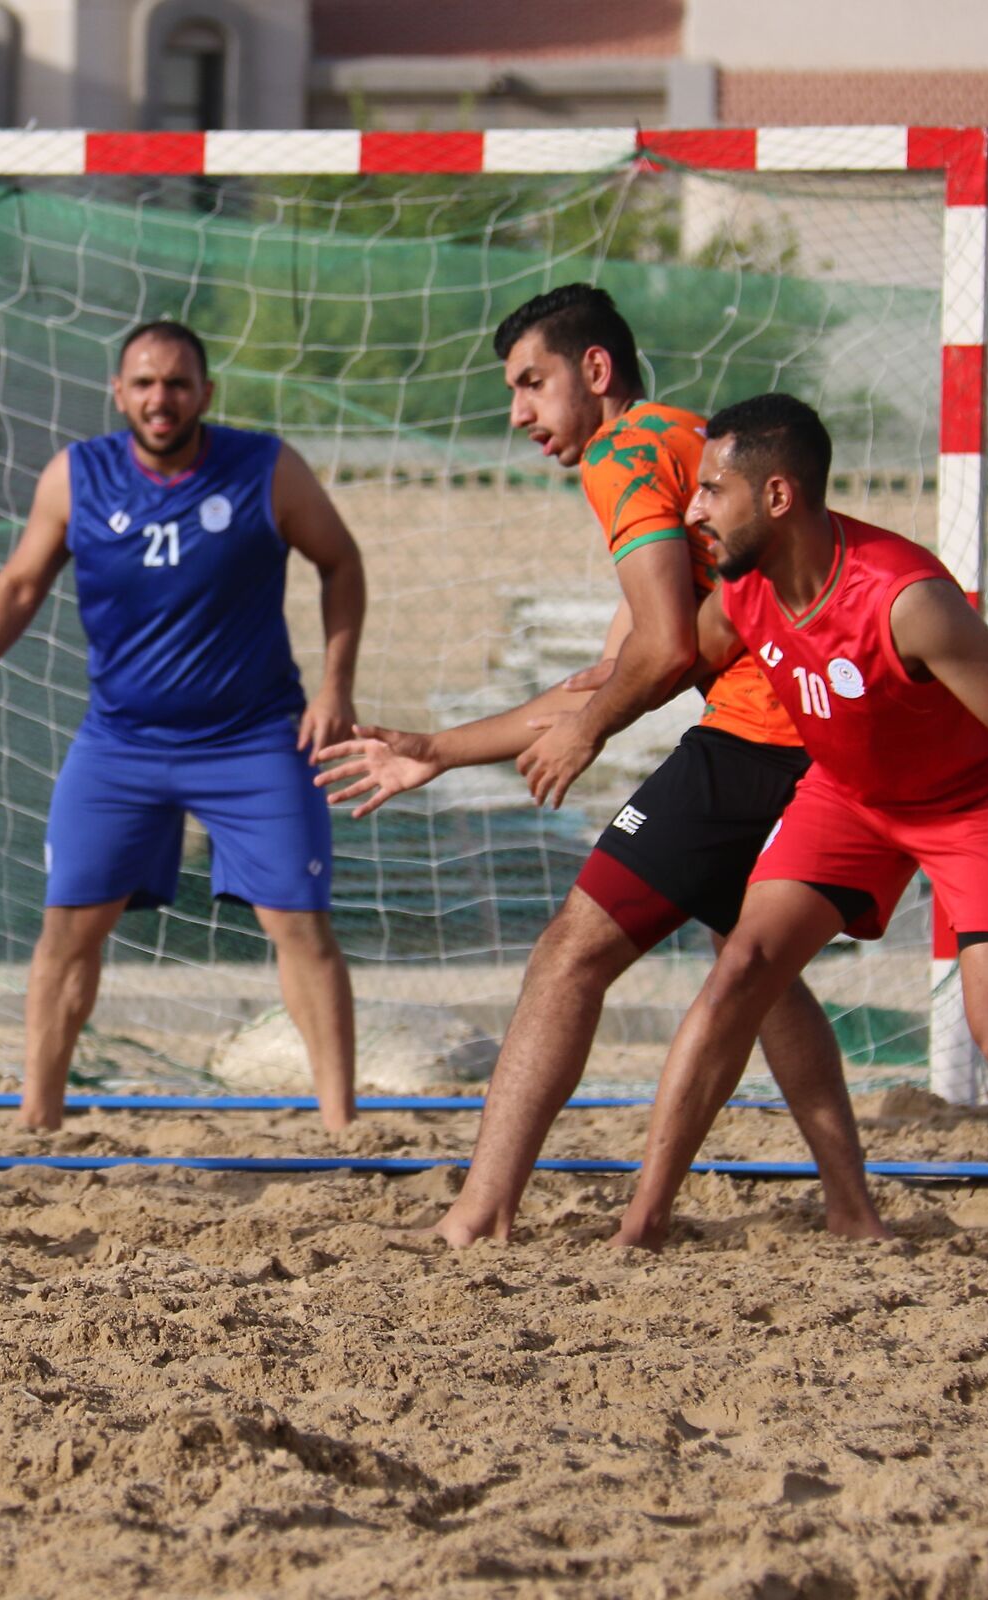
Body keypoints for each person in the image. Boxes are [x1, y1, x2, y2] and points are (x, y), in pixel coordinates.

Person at [313, 286, 883, 1243]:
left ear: (597, 371)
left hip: (762, 734)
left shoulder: (622, 456)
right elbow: (620, 673)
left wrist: (590, 733)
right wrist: (439, 753)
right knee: (757, 968)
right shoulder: (687, 443)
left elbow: (653, 657)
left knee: (568, 955)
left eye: (532, 383)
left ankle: (481, 1215)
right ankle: (852, 1211)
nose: (518, 413)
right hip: (822, 726)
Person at [597, 393, 988, 1250]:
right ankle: (643, 1228)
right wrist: (525, 729)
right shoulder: (742, 594)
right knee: (742, 969)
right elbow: (649, 662)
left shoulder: (905, 599)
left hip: (975, 808)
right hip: (850, 798)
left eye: (711, 490)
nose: (693, 508)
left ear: (777, 497)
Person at [0, 320, 368, 1131]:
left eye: (178, 383)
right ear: (119, 392)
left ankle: (343, 1126)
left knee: (299, 923)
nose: (161, 399)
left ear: (205, 395)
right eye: (145, 383)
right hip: (122, 742)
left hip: (255, 737)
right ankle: (36, 1121)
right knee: (67, 929)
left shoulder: (266, 468)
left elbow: (342, 560)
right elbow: (17, 589)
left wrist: (336, 685)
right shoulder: (76, 477)